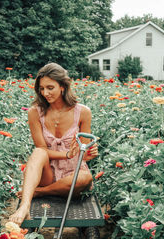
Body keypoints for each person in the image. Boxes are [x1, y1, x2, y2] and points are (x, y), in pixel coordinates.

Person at [9, 62, 98, 226]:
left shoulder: (83, 112)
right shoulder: (35, 112)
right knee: (38, 152)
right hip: (47, 174)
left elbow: (84, 154)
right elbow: (42, 149)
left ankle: (39, 192)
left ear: (63, 86)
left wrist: (89, 152)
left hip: (72, 178)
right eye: (42, 89)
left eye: (50, 88)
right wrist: (66, 154)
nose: (45, 93)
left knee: (86, 177)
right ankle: (24, 206)